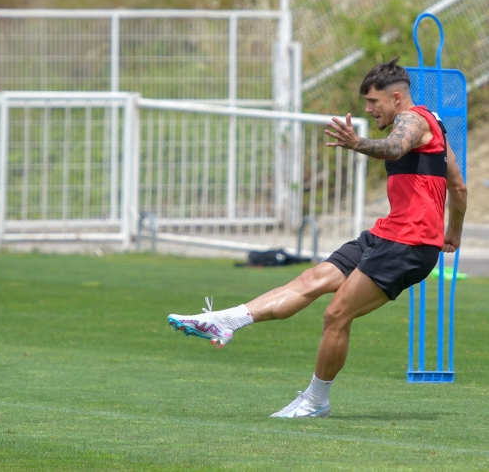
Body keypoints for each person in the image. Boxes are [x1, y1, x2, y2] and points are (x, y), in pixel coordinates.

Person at [167, 58, 467, 418]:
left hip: (409, 244)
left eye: (374, 102)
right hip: (386, 233)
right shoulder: (437, 128)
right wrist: (453, 232)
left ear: (397, 98)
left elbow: (394, 148)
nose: (369, 109)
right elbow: (459, 186)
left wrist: (357, 143)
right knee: (311, 279)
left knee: (336, 313)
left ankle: (315, 401)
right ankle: (227, 321)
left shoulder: (412, 119)